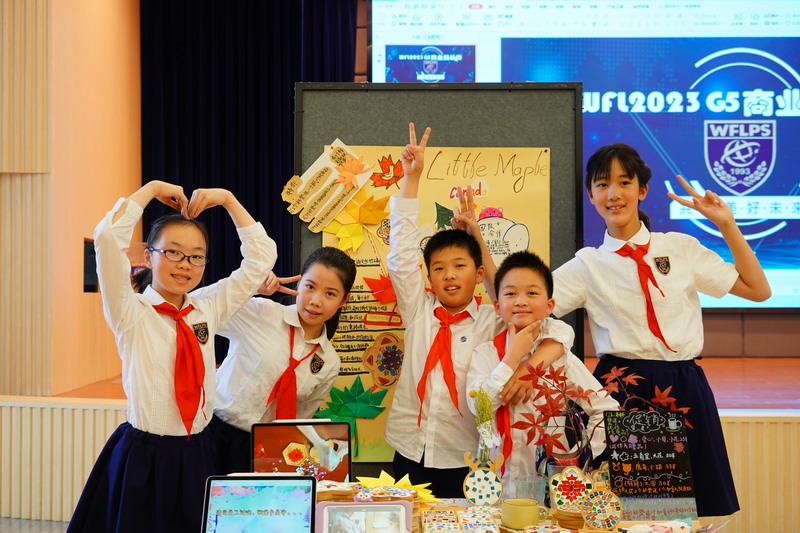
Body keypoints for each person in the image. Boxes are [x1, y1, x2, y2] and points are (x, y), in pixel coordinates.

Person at [551, 144, 771, 517]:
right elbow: (524, 305)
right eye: (602, 184)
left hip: (684, 385)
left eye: (624, 182)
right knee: (631, 512)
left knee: (682, 517)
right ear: (591, 195)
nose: (613, 193)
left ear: (642, 190)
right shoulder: (588, 264)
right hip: (623, 390)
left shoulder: (680, 247)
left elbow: (758, 290)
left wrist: (727, 225)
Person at [67, 181, 276, 533]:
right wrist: (149, 190)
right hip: (144, 455)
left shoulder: (208, 308)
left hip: (199, 450)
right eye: (173, 252)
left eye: (196, 256)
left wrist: (229, 200)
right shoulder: (130, 311)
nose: (185, 265)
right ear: (149, 257)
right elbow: (107, 237)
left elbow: (260, 259)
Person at [384, 124, 565, 497]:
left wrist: (477, 235)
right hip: (408, 448)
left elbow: (519, 302)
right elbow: (400, 255)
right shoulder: (418, 308)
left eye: (460, 266)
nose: (449, 275)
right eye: (438, 268)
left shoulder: (492, 320)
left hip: (466, 456)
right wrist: (411, 179)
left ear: (479, 274)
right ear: (429, 276)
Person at [467, 251, 619, 498]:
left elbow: (606, 410)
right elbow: (479, 408)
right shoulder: (484, 354)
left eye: (532, 293)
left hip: (550, 489)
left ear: (549, 306)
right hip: (493, 487)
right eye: (510, 293)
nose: (521, 301)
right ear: (497, 306)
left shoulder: (560, 358)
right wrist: (511, 358)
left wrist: (579, 455)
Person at [193, 246, 356, 474]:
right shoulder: (263, 313)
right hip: (212, 431)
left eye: (330, 294)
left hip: (266, 451)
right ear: (298, 284)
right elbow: (194, 307)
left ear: (344, 300)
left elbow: (301, 420)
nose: (315, 301)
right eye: (310, 287)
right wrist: (247, 287)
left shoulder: (328, 362)